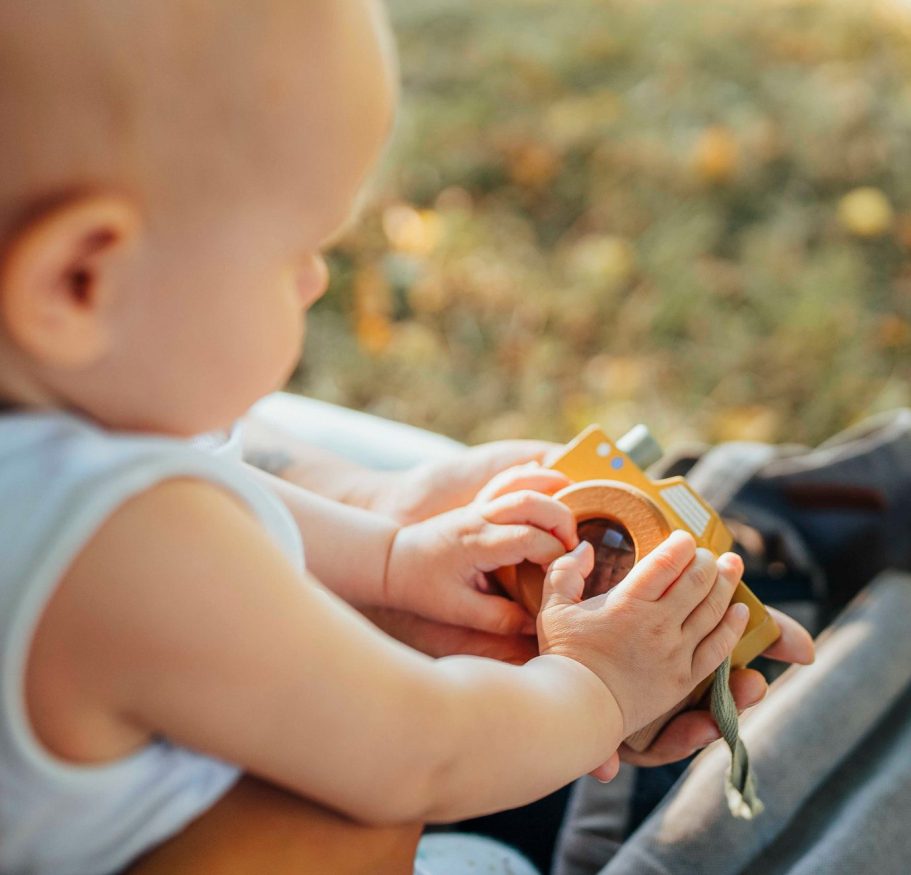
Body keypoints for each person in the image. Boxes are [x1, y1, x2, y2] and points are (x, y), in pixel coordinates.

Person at [0, 3, 813, 874]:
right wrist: (598, 686)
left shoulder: (58, 452)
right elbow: (425, 751)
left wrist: (389, 552)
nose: (313, 282)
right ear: (81, 282)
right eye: (297, 254)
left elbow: (209, 487)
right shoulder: (124, 551)